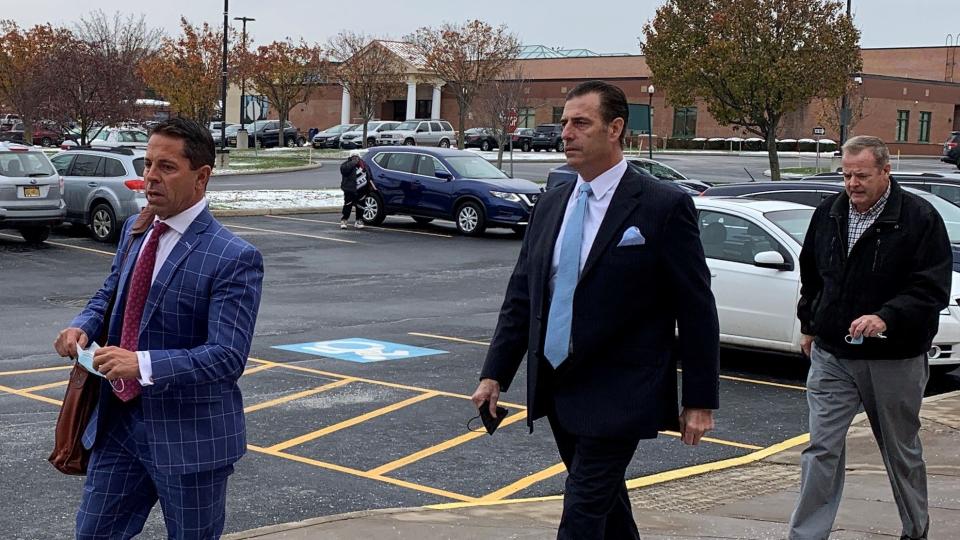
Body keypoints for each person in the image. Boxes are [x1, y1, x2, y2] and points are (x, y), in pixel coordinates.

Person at [471, 80, 720, 539]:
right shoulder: (553, 202)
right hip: (559, 385)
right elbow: (523, 294)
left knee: (582, 510)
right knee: (606, 507)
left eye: (581, 123)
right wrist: (495, 375)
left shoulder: (663, 206)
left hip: (623, 390)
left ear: (616, 128)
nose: (567, 133)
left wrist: (700, 399)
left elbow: (697, 306)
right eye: (564, 122)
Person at [53, 117, 264, 539]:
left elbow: (226, 357)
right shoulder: (139, 231)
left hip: (190, 440)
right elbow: (110, 293)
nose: (150, 176)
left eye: (166, 167)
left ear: (201, 177)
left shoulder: (233, 257)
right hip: (119, 426)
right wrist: (81, 327)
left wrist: (141, 364)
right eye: (147, 164)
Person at [790, 135, 951, 540]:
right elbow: (812, 275)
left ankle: (915, 529)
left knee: (900, 451)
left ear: (885, 171)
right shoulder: (828, 213)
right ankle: (806, 535)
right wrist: (810, 323)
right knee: (821, 448)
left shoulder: (919, 218)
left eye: (861, 175)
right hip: (833, 354)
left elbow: (931, 288)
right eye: (846, 175)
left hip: (894, 358)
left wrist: (885, 317)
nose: (852, 184)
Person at [339, 153, 375, 229]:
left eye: (357, 157)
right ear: (350, 157)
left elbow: (369, 174)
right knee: (348, 205)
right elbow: (344, 171)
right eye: (353, 157)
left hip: (362, 188)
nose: (355, 158)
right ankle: (344, 220)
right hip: (350, 189)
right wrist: (352, 163)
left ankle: (359, 220)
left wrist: (370, 183)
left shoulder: (364, 164)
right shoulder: (346, 164)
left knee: (361, 205)